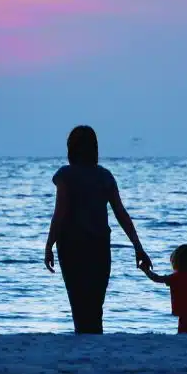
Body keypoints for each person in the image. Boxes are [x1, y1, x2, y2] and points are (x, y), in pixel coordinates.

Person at [45, 125, 152, 334]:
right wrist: (138, 247)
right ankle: (94, 347)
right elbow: (121, 213)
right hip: (99, 247)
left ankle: (84, 350)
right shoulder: (105, 176)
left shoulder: (66, 176)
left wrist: (49, 244)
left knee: (78, 304)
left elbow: (60, 214)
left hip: (71, 247)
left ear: (71, 149)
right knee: (95, 307)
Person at [141, 244, 187, 334]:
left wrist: (146, 270)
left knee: (183, 337)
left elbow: (156, 278)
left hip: (185, 317)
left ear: (176, 262)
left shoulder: (175, 278)